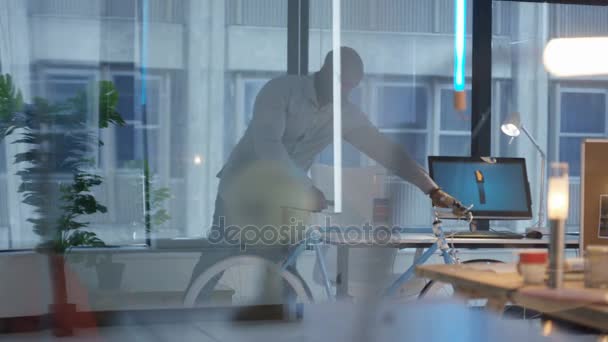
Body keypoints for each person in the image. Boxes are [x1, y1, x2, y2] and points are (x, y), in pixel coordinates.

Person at [185, 47, 467, 303]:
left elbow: (384, 150)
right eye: (341, 82)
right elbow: (267, 144)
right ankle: (185, 317)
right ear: (325, 70)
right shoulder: (281, 91)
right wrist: (306, 187)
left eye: (350, 87)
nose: (344, 91)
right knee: (219, 254)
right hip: (242, 188)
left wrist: (432, 190)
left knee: (284, 268)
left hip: (284, 198)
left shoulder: (345, 113)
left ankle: (282, 330)